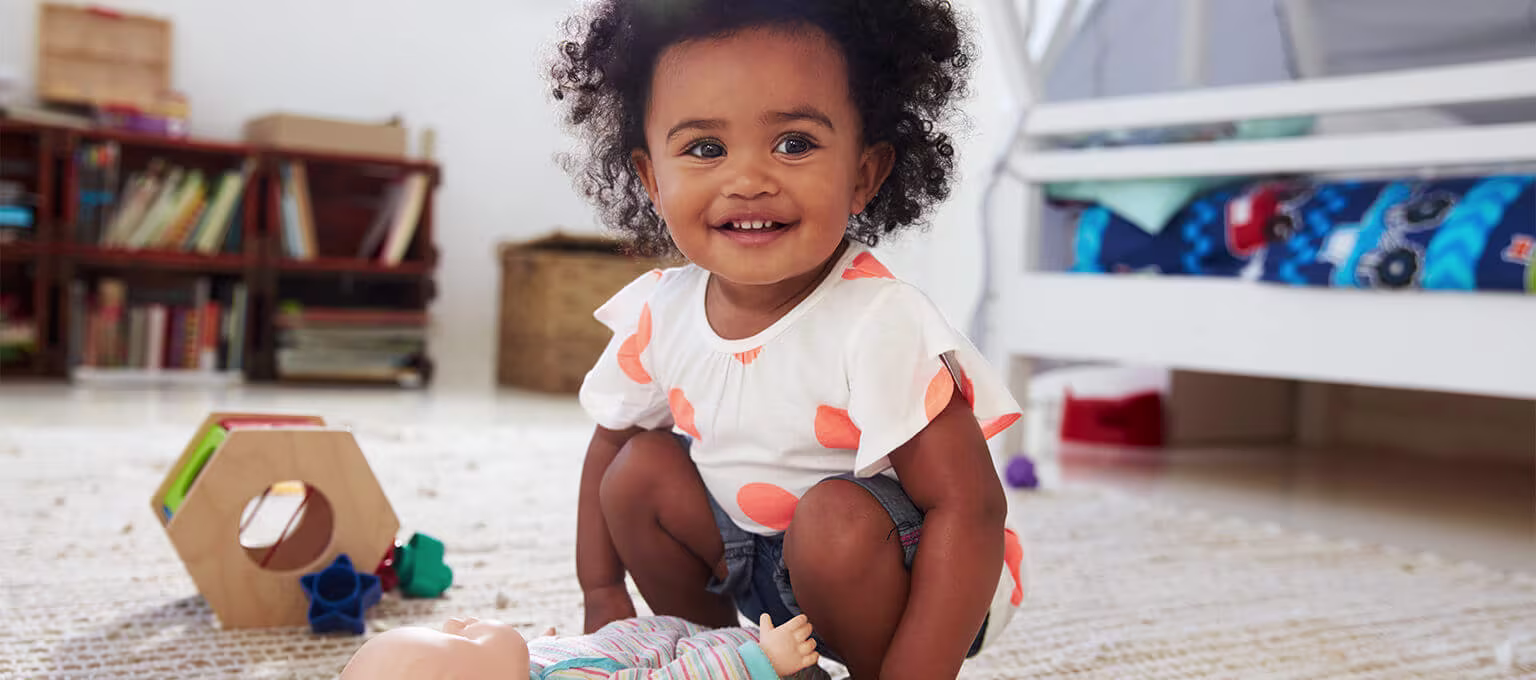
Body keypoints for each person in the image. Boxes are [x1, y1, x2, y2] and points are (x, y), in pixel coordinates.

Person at [549, 1, 1027, 677]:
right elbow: (610, 446)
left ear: (865, 173)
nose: (748, 180)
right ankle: (736, 661)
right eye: (705, 149)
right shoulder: (661, 311)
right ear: (653, 178)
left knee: (831, 520)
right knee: (639, 473)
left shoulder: (877, 319)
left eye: (794, 143)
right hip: (760, 560)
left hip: (913, 578)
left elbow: (969, 508)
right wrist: (601, 594)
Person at [338, 614, 825, 679]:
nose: (456, 619)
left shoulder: (518, 669)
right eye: (457, 637)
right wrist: (761, 659)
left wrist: (530, 650)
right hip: (721, 655)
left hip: (653, 634)